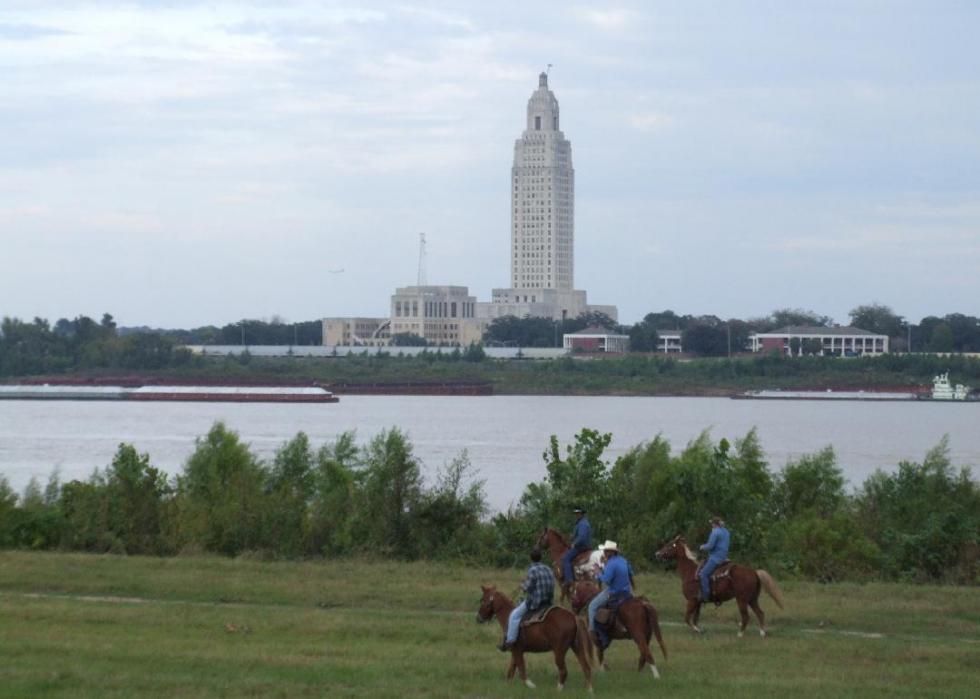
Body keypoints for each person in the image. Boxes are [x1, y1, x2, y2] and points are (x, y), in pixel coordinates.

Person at [500, 547, 556, 651]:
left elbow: (528, 587)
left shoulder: (532, 570)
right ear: (541, 557)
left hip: (536, 602)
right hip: (548, 601)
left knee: (514, 615)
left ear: (531, 558)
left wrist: (522, 585)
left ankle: (510, 641)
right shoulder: (548, 568)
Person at [587, 540, 633, 637]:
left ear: (611, 552)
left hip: (614, 592)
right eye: (604, 551)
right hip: (627, 591)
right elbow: (630, 573)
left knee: (592, 606)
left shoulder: (611, 563)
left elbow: (606, 580)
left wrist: (597, 572)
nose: (604, 553)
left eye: (606, 551)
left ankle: (592, 630)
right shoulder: (623, 560)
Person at [698, 516, 730, 603]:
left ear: (714, 524)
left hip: (716, 558)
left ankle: (706, 595)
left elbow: (710, 546)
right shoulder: (726, 532)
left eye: (712, 523)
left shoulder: (715, 532)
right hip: (724, 557)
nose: (711, 525)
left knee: (703, 574)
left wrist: (702, 547)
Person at [561, 506, 592, 589]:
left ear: (582, 514)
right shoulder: (580, 523)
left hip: (582, 546)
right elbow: (576, 535)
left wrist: (574, 543)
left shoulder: (583, 524)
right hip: (583, 545)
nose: (576, 515)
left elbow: (581, 537)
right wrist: (570, 537)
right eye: (576, 513)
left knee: (566, 558)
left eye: (578, 513)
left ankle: (569, 580)